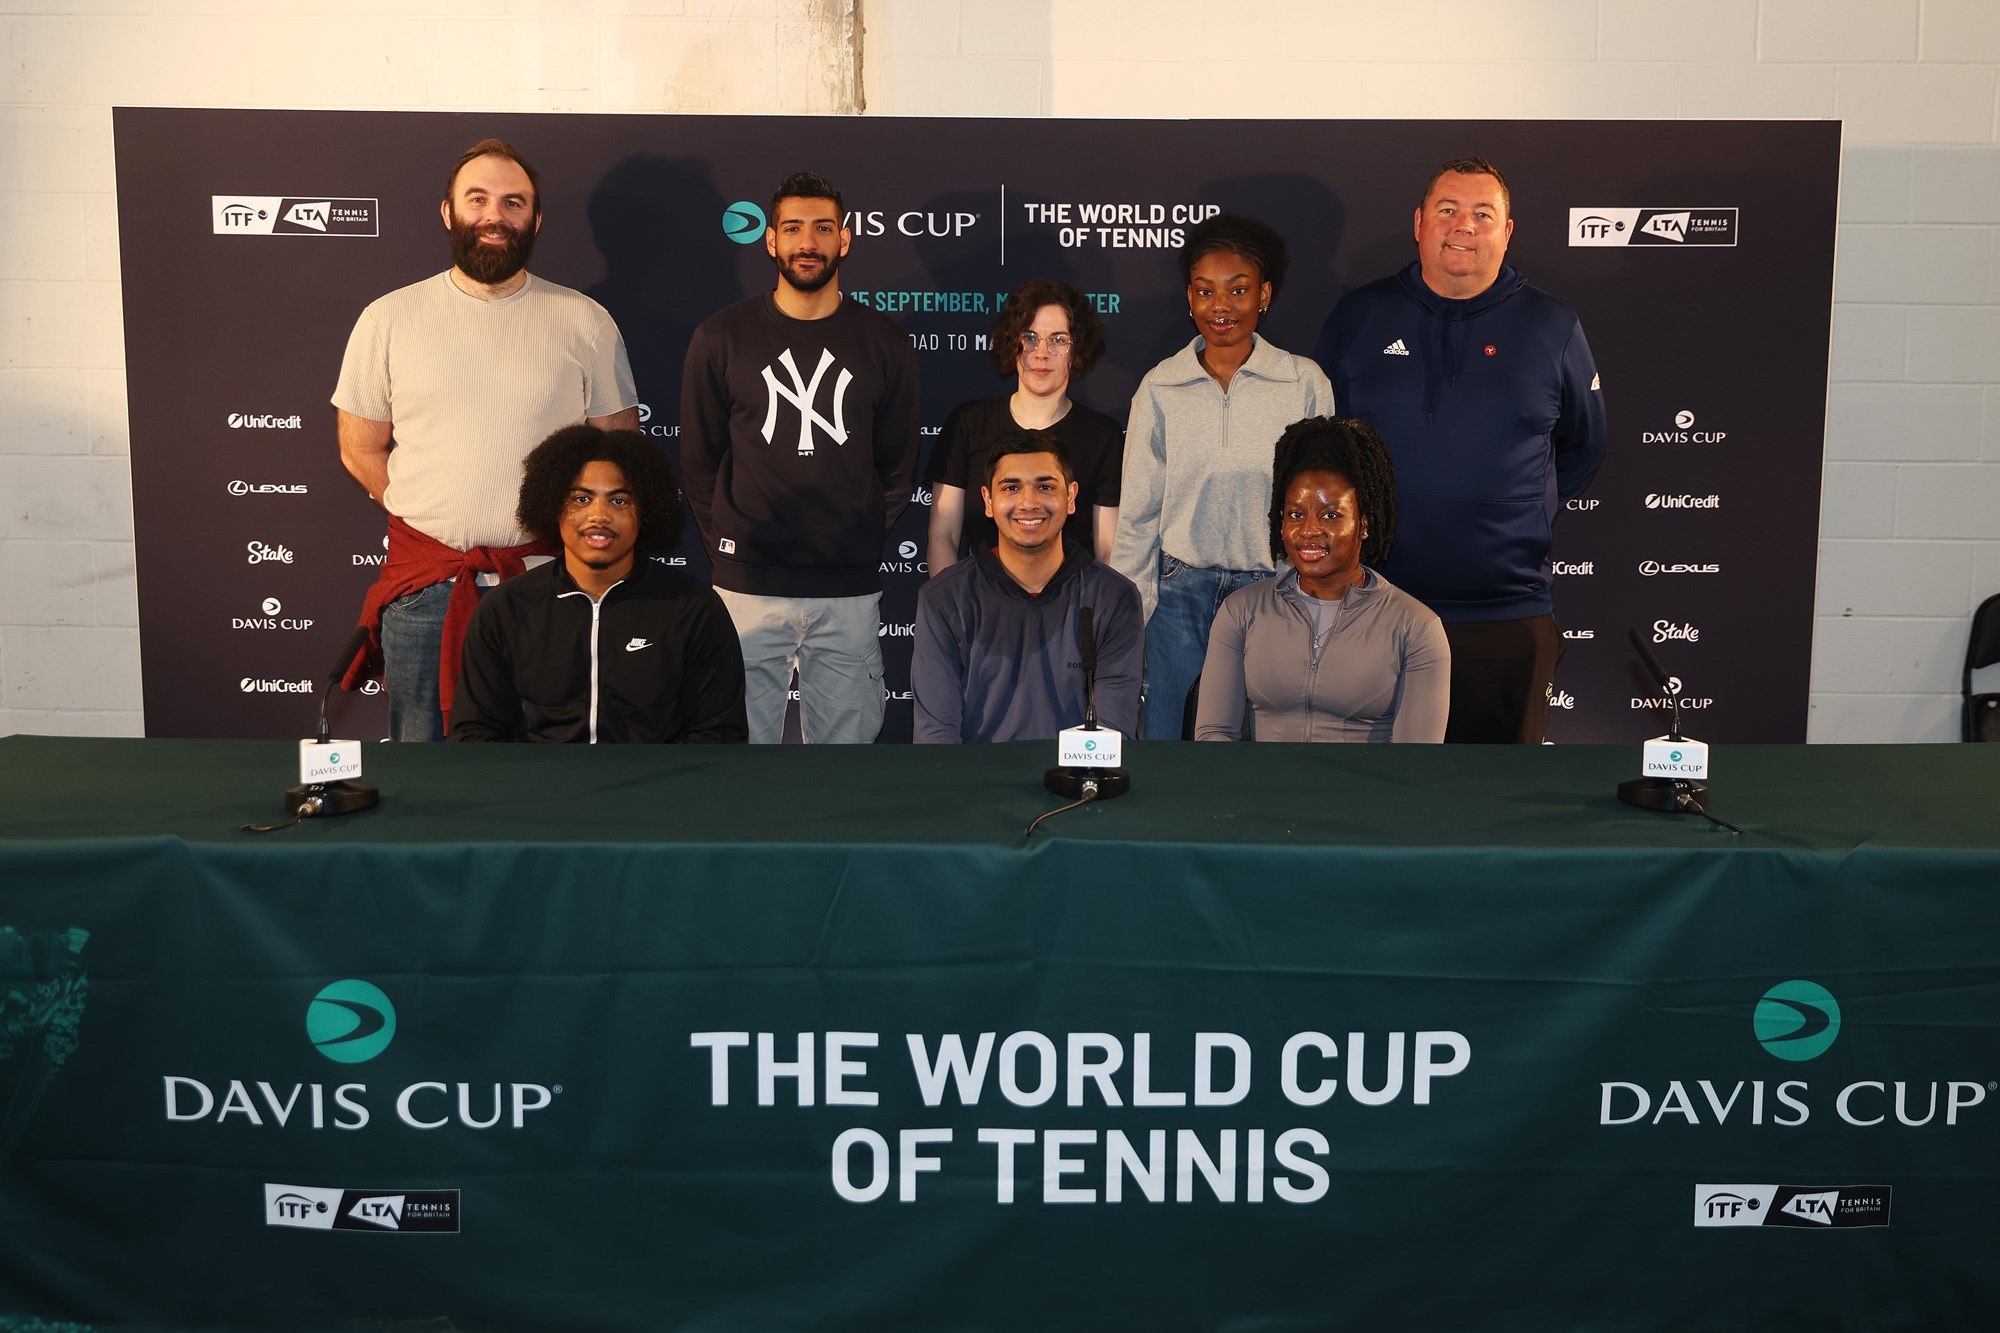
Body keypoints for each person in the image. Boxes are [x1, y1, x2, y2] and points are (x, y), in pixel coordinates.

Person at [334, 137, 640, 741]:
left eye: (513, 202)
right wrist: (429, 514)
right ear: (448, 213)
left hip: (551, 583)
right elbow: (360, 448)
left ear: (535, 220)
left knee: (550, 759)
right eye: (478, 200)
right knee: (426, 766)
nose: (494, 215)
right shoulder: (389, 318)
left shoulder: (584, 319)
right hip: (428, 592)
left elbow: (618, 451)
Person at [1314, 156, 1606, 744]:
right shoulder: (1359, 317)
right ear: (1420, 223)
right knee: (1377, 799)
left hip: (1508, 614)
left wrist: (1512, 508)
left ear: (1508, 231)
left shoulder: (1553, 326)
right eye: (1448, 210)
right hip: (1374, 605)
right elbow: (1323, 449)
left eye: (1482, 214)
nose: (1464, 226)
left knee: (1499, 805)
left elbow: (1584, 446)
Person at [679, 171, 921, 744]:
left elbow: (896, 467)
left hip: (848, 591)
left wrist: (853, 538)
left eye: (822, 228)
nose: (807, 242)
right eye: (792, 228)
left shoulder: (885, 342)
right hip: (746, 588)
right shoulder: (721, 338)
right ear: (769, 240)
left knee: (844, 765)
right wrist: (736, 544)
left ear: (846, 238)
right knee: (735, 755)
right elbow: (699, 463)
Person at [1110, 213, 1335, 741]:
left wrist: (1319, 597)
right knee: (1165, 742)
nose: (1221, 306)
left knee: (1270, 749)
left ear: (1264, 295)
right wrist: (1128, 614)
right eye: (1205, 291)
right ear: (1189, 298)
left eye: (1238, 290)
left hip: (1276, 591)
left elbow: (1325, 507)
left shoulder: (1303, 383)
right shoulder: (1160, 386)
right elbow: (1139, 512)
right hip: (1179, 594)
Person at [450, 425, 747, 744]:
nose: (599, 516)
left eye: (618, 501)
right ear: (553, 506)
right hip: (541, 789)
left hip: (657, 789)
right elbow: (474, 732)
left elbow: (718, 733)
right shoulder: (507, 608)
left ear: (644, 512)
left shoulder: (694, 608)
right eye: (581, 499)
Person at [1196, 417, 1448, 743]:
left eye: (1330, 515)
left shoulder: (1416, 628)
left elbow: (1416, 765)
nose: (1309, 531)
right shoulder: (1240, 612)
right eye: (1296, 515)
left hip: (1366, 794)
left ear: (1364, 524)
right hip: (1261, 791)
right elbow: (1215, 735)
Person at [913, 430, 1142, 743]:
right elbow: (936, 737)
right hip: (975, 787)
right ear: (988, 501)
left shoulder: (1115, 598)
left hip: (1076, 787)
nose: (1029, 503)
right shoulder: (944, 598)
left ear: (1071, 497)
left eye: (1045, 486)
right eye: (1011, 487)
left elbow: (1113, 736)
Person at [925, 279, 1122, 571]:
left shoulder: (1102, 436)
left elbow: (1108, 550)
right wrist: (951, 613)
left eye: (1058, 340)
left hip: (1071, 608)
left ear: (1077, 350)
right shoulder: (968, 424)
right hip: (978, 607)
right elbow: (943, 536)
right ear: (1011, 343)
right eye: (1029, 337)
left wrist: (1096, 615)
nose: (1041, 353)